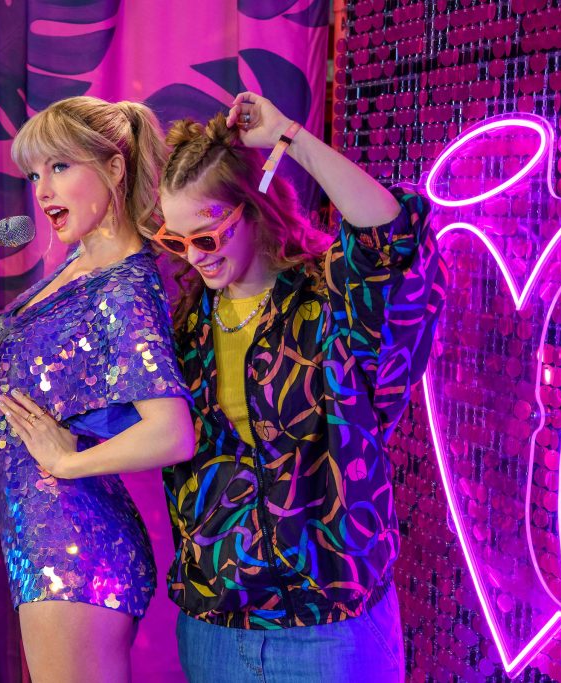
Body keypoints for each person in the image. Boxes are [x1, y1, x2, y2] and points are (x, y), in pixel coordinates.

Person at [154, 92, 447, 682]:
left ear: (254, 209)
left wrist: (291, 136)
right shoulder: (182, 329)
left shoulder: (327, 304)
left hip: (329, 627)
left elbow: (392, 236)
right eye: (175, 240)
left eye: (206, 237)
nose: (193, 256)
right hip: (215, 628)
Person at [0, 96, 194, 682]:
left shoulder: (123, 287)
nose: (42, 191)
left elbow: (172, 434)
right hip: (46, 536)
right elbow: (4, 362)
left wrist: (64, 460)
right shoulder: (79, 263)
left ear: (115, 168)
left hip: (75, 548)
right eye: (35, 174)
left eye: (60, 167)